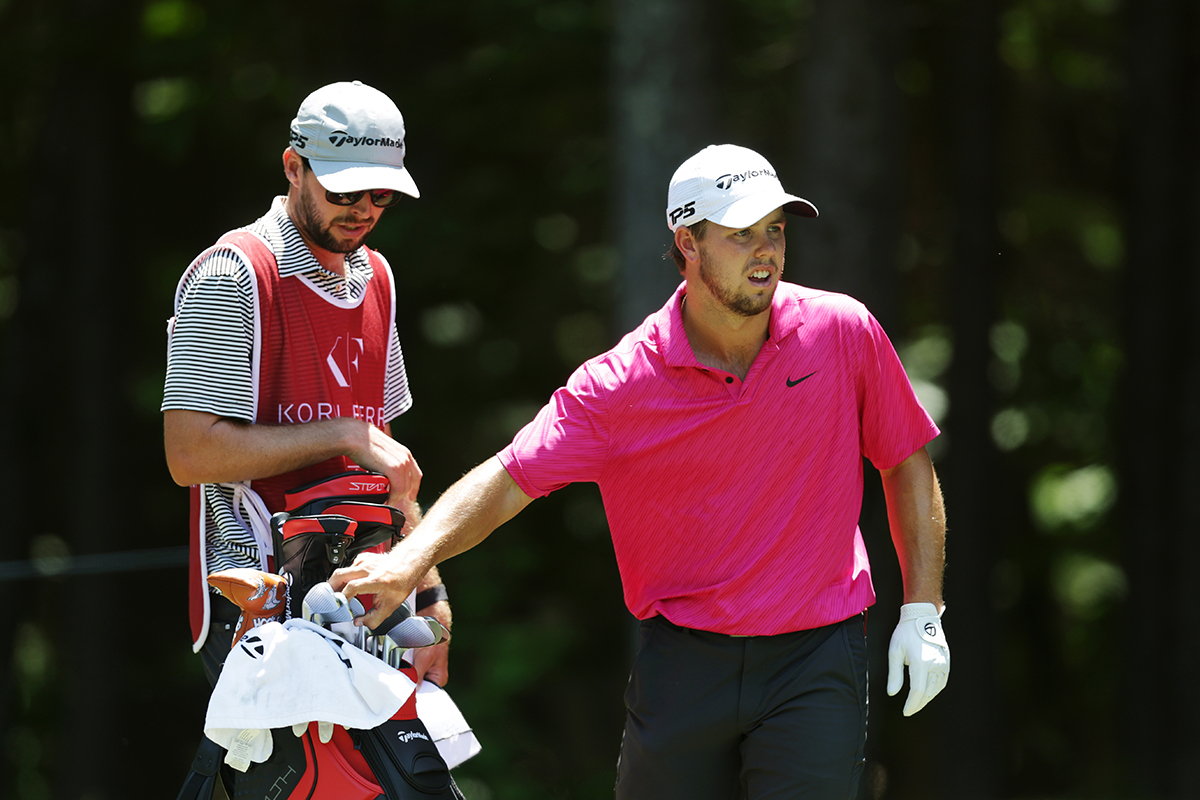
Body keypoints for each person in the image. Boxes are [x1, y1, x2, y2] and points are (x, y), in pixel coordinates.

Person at [330, 143, 949, 799]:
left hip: (815, 657)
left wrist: (924, 608)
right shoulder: (622, 384)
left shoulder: (842, 331)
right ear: (688, 242)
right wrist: (406, 562)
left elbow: (905, 460)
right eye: (741, 233)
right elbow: (509, 479)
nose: (766, 250)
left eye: (775, 229)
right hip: (684, 665)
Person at [162, 80, 450, 688]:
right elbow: (189, 455)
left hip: (365, 594)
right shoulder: (232, 271)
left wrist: (428, 594)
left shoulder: (378, 277)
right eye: (345, 189)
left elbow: (386, 466)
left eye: (382, 194)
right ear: (294, 166)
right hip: (255, 604)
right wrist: (342, 431)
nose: (365, 210)